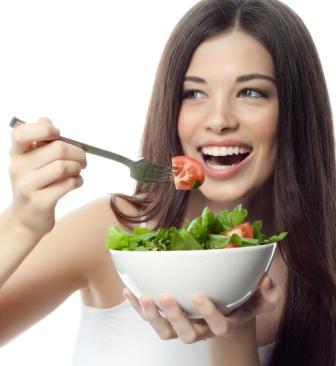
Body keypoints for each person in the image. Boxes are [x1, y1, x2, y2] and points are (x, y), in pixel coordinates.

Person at [0, 0, 335, 365]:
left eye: (251, 92)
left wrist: (233, 333)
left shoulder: (326, 263)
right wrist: (21, 223)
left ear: (295, 113)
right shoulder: (113, 232)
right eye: (193, 93)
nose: (219, 119)